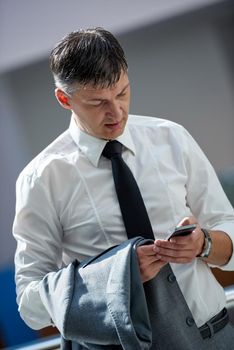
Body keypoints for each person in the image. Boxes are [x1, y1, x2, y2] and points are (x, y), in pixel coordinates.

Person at [13, 27, 234, 349]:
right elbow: (30, 304)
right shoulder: (42, 179)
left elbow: (227, 228)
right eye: (97, 102)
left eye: (122, 93)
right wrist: (116, 279)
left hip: (214, 336)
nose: (116, 113)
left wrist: (204, 244)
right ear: (65, 99)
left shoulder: (172, 138)